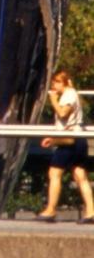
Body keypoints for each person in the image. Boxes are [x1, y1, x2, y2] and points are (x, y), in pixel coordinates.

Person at [37, 69, 94, 223]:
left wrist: (53, 100)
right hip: (78, 138)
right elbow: (66, 123)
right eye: (53, 82)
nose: (54, 85)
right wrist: (53, 138)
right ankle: (91, 211)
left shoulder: (68, 95)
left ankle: (51, 209)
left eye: (57, 82)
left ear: (65, 82)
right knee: (80, 175)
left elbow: (63, 114)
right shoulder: (71, 94)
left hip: (71, 141)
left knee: (54, 172)